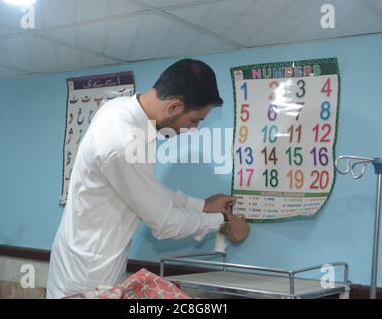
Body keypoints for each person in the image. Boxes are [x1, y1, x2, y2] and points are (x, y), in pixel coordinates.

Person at [46, 59, 250, 298]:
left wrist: (203, 205)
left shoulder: (120, 110)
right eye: (195, 120)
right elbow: (165, 223)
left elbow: (146, 191)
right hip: (82, 281)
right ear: (174, 107)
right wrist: (223, 223)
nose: (193, 129)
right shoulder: (122, 142)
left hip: (96, 271)